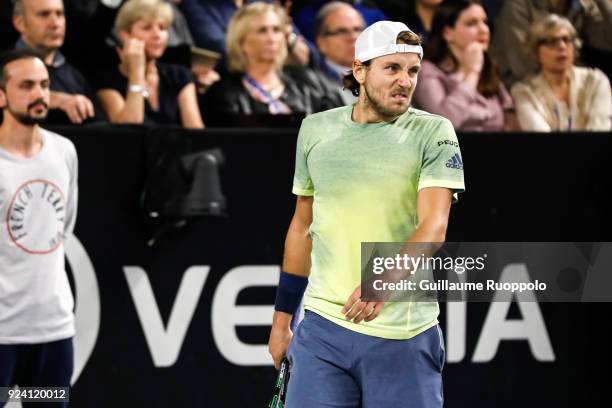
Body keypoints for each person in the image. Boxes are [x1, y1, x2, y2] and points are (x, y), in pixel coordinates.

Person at [268, 21, 465, 407]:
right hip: (321, 330)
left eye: (412, 71)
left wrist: (384, 278)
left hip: (404, 334)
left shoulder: (435, 132)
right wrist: (281, 322)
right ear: (359, 70)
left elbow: (434, 225)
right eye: (391, 68)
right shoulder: (315, 130)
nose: (404, 81)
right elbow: (301, 228)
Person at [0, 49, 78, 407]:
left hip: (53, 331)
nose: (40, 95)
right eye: (27, 85)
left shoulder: (64, 152)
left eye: (45, 85)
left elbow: (63, 228)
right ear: (2, 95)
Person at [202, 2, 343, 119]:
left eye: (276, 30)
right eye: (262, 31)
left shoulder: (309, 85)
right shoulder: (223, 94)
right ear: (241, 41)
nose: (272, 38)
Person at [94, 0, 204, 127]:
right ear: (125, 36)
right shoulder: (107, 81)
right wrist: (137, 71)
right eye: (147, 28)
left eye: (162, 28)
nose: (157, 35)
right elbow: (128, 129)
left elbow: (195, 132)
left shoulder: (179, 75)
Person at [412, 0, 515, 132]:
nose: (483, 29)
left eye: (485, 22)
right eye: (471, 23)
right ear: (447, 33)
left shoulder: (487, 69)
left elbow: (511, 121)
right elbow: (444, 125)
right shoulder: (427, 71)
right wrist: (471, 73)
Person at [511, 14, 611, 131]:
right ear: (535, 51)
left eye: (567, 40)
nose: (562, 46)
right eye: (551, 41)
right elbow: (541, 141)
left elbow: (599, 133)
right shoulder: (524, 92)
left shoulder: (596, 81)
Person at [12, 0, 99, 125]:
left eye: (59, 14)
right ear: (19, 22)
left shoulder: (77, 75)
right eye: (44, 14)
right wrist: (59, 100)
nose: (55, 23)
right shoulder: (4, 66)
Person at [492, 0, 612, 86]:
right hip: (524, 88)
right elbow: (523, 65)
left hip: (569, 83)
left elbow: (607, 43)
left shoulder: (581, 5)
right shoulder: (518, 5)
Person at [312, 1, 365, 104]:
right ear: (321, 42)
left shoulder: (381, 76)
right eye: (342, 31)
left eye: (357, 29)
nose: (353, 37)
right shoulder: (312, 86)